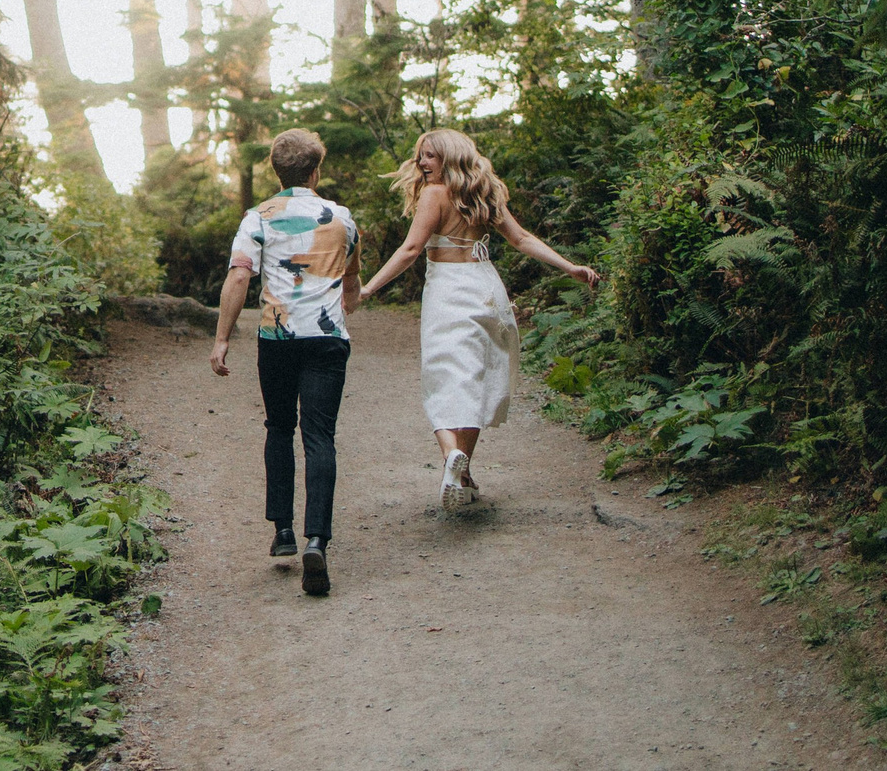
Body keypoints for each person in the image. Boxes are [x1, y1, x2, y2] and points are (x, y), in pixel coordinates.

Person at [356, 127, 600, 512]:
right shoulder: (484, 193)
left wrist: (369, 288)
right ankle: (464, 473)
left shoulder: (434, 195)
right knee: (475, 377)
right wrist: (568, 267)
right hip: (486, 288)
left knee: (443, 375)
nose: (422, 163)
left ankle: (451, 454)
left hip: (449, 291)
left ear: (450, 157)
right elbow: (522, 239)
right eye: (421, 155)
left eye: (431, 156)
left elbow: (411, 250)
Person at [209, 127, 359, 597]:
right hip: (327, 338)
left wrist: (221, 339)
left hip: (276, 337)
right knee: (320, 435)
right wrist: (339, 308)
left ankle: (284, 532)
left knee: (279, 427)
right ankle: (318, 538)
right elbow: (353, 282)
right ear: (316, 171)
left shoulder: (258, 216)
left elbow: (239, 277)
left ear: (276, 172)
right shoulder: (342, 218)